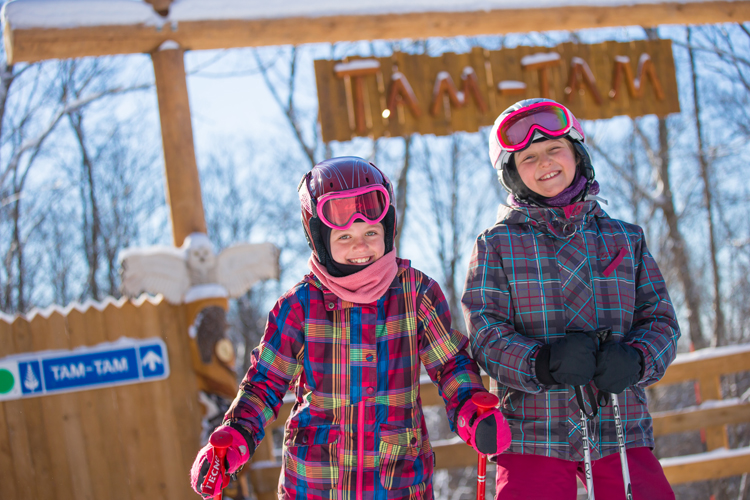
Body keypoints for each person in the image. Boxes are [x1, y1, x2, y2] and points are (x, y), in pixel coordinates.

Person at [190, 156, 511, 500]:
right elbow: (264, 385)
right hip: (316, 485)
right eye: (344, 237)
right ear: (321, 241)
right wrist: (234, 439)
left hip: (398, 483)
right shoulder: (299, 307)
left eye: (371, 233)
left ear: (388, 232)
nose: (361, 246)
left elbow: (450, 364)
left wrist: (470, 410)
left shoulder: (415, 294)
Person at [461, 99, 680, 499]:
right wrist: (540, 363)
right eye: (528, 157)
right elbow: (486, 335)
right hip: (534, 430)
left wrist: (638, 359)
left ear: (577, 153)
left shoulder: (623, 239)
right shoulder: (496, 245)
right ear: (512, 174)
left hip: (619, 425)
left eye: (554, 149)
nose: (544, 162)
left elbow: (661, 320)